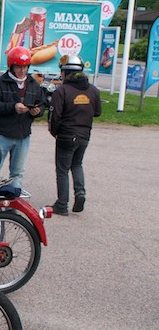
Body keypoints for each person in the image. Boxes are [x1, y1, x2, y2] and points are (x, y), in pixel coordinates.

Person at [47, 53, 101, 215]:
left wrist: (55, 132)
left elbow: (54, 116)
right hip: (84, 135)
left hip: (66, 135)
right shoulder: (93, 90)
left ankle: (62, 204)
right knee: (77, 164)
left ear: (64, 72)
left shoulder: (62, 91)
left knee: (62, 170)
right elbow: (97, 112)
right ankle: (80, 193)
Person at [0, 46, 46, 192]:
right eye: (19, 67)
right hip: (3, 134)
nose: (22, 70)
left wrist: (37, 111)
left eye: (25, 67)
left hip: (23, 136)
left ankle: (14, 200)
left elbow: (42, 103)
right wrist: (13, 107)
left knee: (18, 173)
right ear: (11, 66)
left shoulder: (33, 84)